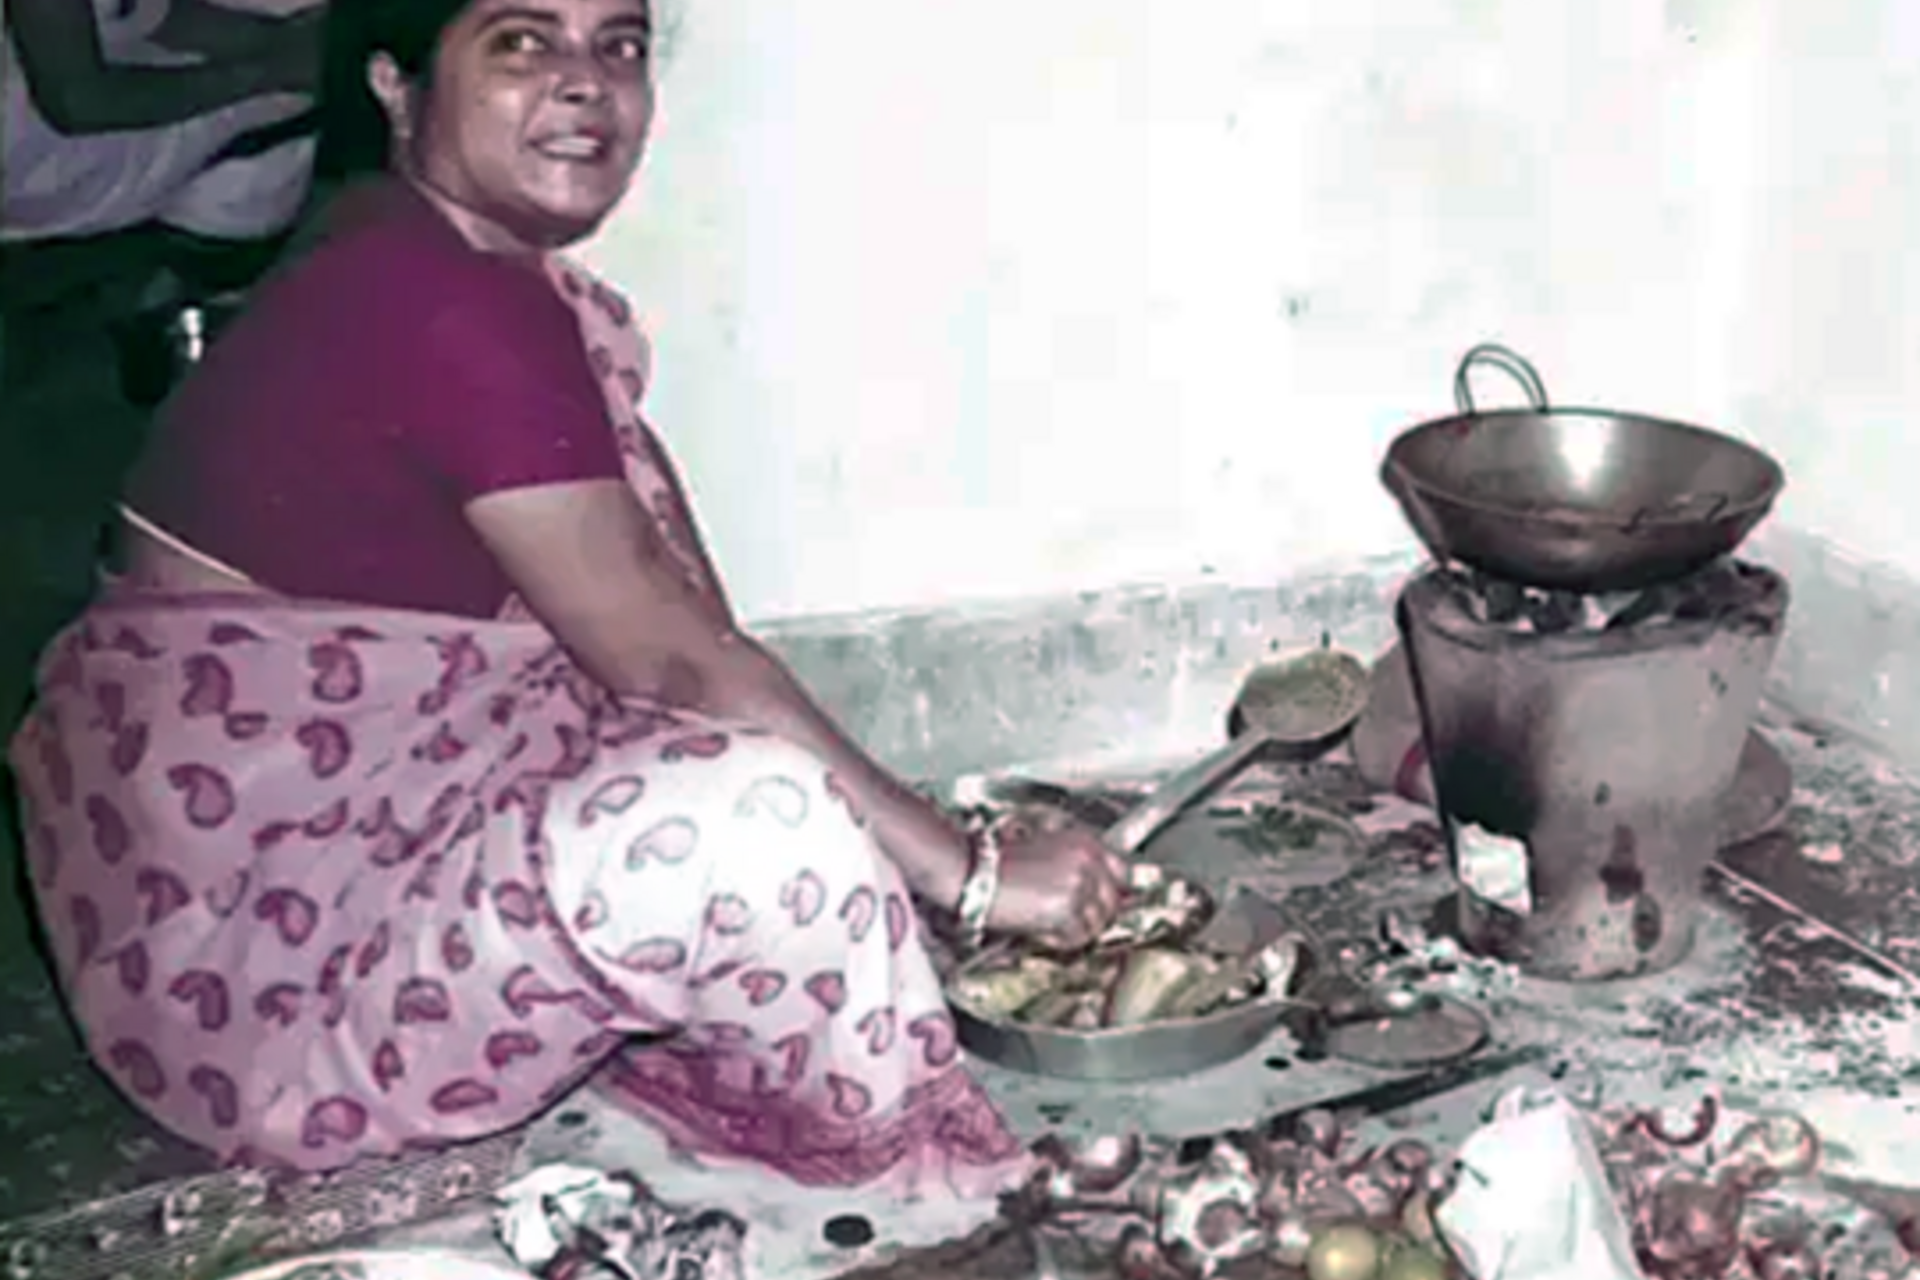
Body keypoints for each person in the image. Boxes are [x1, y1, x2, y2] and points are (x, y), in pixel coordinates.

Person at [6, 0, 1130, 1197]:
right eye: (523, 42)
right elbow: (675, 663)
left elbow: (663, 641)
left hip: (260, 938)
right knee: (756, 822)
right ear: (395, 82)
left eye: (621, 45)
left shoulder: (428, 254)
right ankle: (900, 1189)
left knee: (790, 790)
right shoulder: (434, 294)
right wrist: (971, 871)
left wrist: (904, 851)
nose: (587, 83)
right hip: (275, 1002)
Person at [3, 0, 323, 242]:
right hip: (36, 147)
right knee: (276, 104)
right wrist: (270, 70)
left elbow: (148, 16)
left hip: (67, 78)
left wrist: (278, 39)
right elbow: (76, 104)